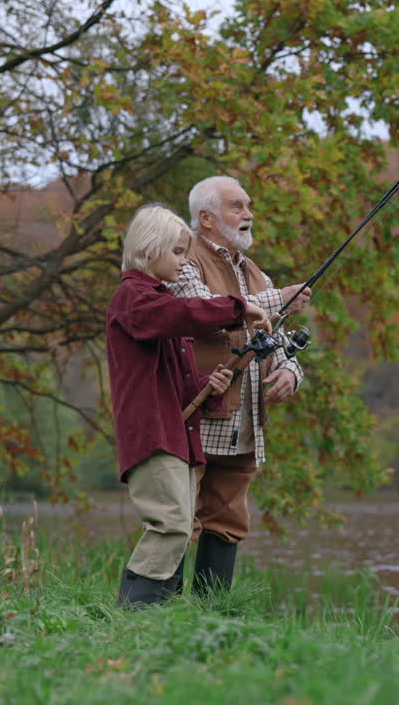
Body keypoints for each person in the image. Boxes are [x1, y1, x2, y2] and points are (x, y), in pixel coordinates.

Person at [106, 203, 271, 606]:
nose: (184, 261)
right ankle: (136, 613)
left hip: (174, 432)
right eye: (177, 252)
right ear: (150, 249)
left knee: (176, 522)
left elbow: (171, 379)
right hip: (153, 434)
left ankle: (151, 614)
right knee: (171, 523)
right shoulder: (135, 299)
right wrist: (239, 307)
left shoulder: (154, 304)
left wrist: (203, 385)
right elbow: (181, 313)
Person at [171, 176, 310, 594]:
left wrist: (290, 372)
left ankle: (212, 616)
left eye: (248, 206)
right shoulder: (182, 259)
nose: (248, 215)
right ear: (206, 218)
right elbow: (202, 310)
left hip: (244, 422)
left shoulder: (254, 273)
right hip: (196, 414)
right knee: (178, 519)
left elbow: (276, 338)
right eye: (237, 206)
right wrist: (280, 297)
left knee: (228, 520)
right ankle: (157, 616)